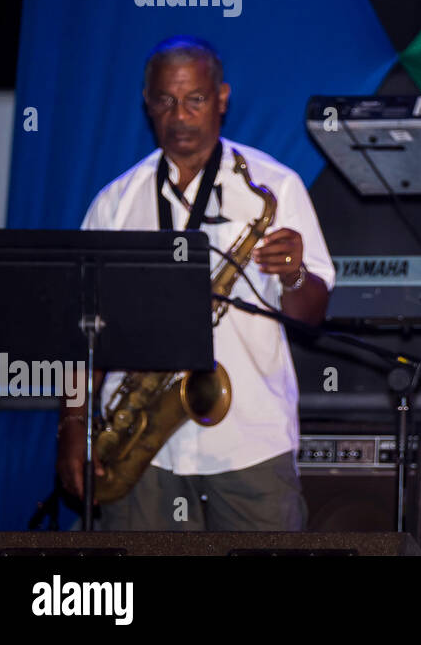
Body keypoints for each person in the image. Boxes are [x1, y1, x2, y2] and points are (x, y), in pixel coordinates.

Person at [56, 36, 334, 531]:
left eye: (195, 99)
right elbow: (83, 333)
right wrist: (73, 426)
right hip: (142, 450)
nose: (179, 116)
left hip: (250, 441)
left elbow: (310, 315)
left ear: (222, 98)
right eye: (165, 100)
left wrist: (293, 272)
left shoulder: (276, 187)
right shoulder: (115, 204)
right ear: (147, 102)